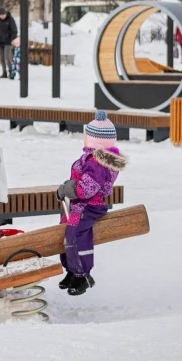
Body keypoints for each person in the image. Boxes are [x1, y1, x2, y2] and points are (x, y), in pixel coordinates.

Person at [54, 110, 127, 296]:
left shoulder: (97, 162)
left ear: (95, 140)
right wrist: (67, 188)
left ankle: (83, 274)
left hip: (89, 206)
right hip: (78, 204)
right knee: (65, 230)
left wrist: (71, 189)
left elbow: (88, 188)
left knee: (74, 233)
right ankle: (72, 270)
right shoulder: (92, 157)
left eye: (88, 136)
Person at [0, 8, 17, 79]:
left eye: (3, 15)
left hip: (8, 42)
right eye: (0, 15)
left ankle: (11, 72)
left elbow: (14, 30)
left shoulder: (10, 19)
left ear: (6, 14)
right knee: (2, 58)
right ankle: (4, 72)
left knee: (7, 57)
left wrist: (12, 39)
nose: (2, 16)